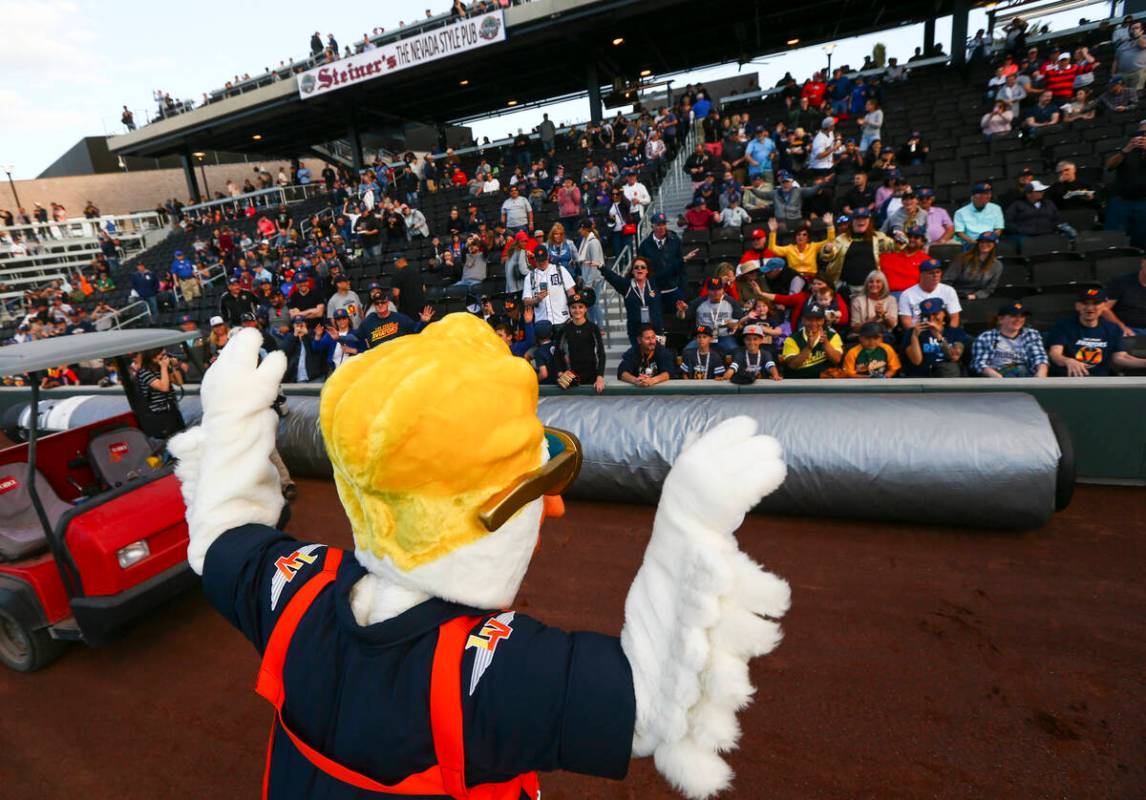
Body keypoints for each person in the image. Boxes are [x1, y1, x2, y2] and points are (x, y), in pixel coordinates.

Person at [1047, 287, 1146, 376]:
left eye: (1095, 303)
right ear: (1077, 306)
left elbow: (1120, 357)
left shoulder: (1113, 329)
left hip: (1100, 380)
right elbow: (1055, 354)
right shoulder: (1063, 325)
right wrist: (1068, 361)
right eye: (1085, 303)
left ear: (1104, 306)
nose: (1090, 308)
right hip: (1069, 377)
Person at [822, 209, 895, 294]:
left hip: (871, 287)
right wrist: (827, 250)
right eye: (857, 218)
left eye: (864, 218)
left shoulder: (878, 237)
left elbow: (894, 247)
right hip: (847, 288)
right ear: (852, 222)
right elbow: (827, 256)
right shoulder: (841, 238)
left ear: (869, 221)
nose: (861, 221)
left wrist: (900, 239)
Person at [970, 301, 1049, 377]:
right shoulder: (986, 337)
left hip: (1026, 374)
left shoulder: (1031, 334)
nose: (1019, 319)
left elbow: (1039, 357)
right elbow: (979, 363)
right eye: (1013, 316)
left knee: (1021, 369)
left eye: (1022, 316)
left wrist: (1041, 373)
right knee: (1019, 369)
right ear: (1001, 319)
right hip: (998, 374)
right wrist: (996, 377)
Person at [637, 213, 696, 312]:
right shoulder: (644, 246)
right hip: (655, 290)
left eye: (664, 224)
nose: (662, 227)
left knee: (678, 319)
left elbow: (682, 268)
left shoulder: (675, 241)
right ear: (652, 226)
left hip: (674, 289)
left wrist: (683, 289)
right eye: (659, 225)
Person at [601, 255, 662, 345]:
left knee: (659, 356)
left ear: (647, 270)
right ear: (632, 271)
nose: (639, 269)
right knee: (639, 357)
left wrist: (683, 260)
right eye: (636, 267)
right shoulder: (627, 286)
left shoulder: (654, 283)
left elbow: (668, 272)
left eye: (643, 267)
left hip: (656, 329)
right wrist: (601, 267)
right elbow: (613, 278)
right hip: (636, 331)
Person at [552, 290, 606, 392]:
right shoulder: (564, 329)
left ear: (586, 309)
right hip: (571, 376)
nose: (577, 310)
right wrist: (560, 373)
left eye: (580, 307)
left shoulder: (593, 328)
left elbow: (601, 353)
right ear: (569, 309)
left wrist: (600, 377)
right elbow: (557, 353)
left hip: (591, 376)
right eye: (573, 307)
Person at [901, 297, 969, 378]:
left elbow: (954, 357)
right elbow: (916, 361)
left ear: (944, 313)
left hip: (947, 374)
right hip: (922, 375)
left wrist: (938, 336)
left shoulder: (955, 332)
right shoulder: (912, 332)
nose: (931, 318)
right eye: (927, 315)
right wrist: (915, 337)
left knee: (951, 368)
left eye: (935, 314)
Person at [1105, 123, 1146, 249]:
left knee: (1142, 240)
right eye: (1141, 133)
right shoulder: (1127, 151)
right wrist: (1125, 150)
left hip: (1143, 202)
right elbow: (1109, 166)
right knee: (1114, 239)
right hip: (1121, 202)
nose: (1143, 137)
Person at [134, 349, 185, 440]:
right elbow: (164, 387)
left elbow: (179, 383)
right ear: (152, 356)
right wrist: (164, 367)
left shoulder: (160, 368)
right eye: (161, 355)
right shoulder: (144, 372)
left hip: (172, 409)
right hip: (159, 414)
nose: (164, 357)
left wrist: (174, 367)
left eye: (165, 355)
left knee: (182, 436)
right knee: (168, 441)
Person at [779, 304, 842, 378]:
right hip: (798, 383)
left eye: (817, 320)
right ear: (803, 320)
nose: (813, 323)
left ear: (823, 321)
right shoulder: (792, 339)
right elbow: (792, 365)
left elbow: (837, 359)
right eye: (809, 320)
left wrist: (826, 343)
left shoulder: (832, 336)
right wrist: (808, 348)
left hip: (824, 383)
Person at [899, 258, 963, 328]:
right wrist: (916, 335)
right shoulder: (907, 294)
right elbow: (906, 322)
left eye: (938, 272)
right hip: (918, 331)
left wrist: (949, 335)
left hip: (943, 331)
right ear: (921, 275)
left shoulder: (949, 291)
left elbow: (954, 318)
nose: (935, 275)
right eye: (931, 273)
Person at [523, 247, 576, 330]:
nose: (542, 263)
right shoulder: (530, 277)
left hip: (562, 319)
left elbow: (571, 293)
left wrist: (574, 314)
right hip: (542, 323)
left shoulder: (560, 270)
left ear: (547, 257)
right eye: (539, 260)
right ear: (535, 259)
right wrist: (536, 300)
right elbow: (526, 301)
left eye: (543, 260)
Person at [688, 277, 744, 353]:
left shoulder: (731, 302)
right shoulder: (699, 302)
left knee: (734, 351)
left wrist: (733, 324)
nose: (716, 292)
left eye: (718, 289)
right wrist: (681, 312)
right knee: (688, 351)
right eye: (713, 290)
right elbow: (685, 316)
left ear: (723, 289)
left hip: (724, 336)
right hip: (703, 336)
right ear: (708, 290)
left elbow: (739, 320)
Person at [767, 215, 835, 277]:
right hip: (795, 278)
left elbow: (829, 242)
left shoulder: (813, 246)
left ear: (808, 238)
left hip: (811, 277)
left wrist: (830, 225)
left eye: (804, 235)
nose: (801, 237)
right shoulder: (789, 249)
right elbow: (772, 249)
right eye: (798, 234)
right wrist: (773, 232)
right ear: (795, 238)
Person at [355, 294, 432, 349]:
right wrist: (364, 346)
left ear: (388, 303)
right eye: (377, 303)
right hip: (378, 361)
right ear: (374, 305)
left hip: (397, 359)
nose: (380, 305)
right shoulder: (368, 321)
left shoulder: (400, 318)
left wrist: (423, 322)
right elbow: (357, 337)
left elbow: (416, 329)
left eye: (383, 302)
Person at [945, 231, 1003, 301]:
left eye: (988, 242)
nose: (984, 244)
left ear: (994, 244)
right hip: (956, 297)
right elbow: (946, 281)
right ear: (977, 243)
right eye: (981, 242)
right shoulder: (962, 259)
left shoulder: (997, 265)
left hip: (978, 298)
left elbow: (990, 288)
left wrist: (975, 296)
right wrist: (953, 296)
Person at [1004, 180, 1071, 239]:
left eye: (1042, 191)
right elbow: (1008, 222)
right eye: (1038, 191)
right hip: (1025, 237)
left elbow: (1058, 218)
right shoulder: (1017, 205)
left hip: (1048, 235)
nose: (1042, 192)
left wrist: (1053, 228)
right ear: (1028, 194)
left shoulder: (1049, 203)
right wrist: (1021, 230)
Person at [1103, 256, 1146, 336]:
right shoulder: (1121, 282)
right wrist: (1122, 327)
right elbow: (1103, 308)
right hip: (1128, 329)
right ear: (1143, 262)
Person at [954, 183, 1005, 247]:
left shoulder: (996, 208)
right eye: (985, 194)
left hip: (991, 241)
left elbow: (999, 229)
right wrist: (973, 242)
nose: (989, 196)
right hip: (970, 243)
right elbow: (960, 232)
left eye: (990, 194)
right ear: (974, 196)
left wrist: (991, 238)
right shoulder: (960, 212)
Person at [849, 270, 898, 335]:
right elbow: (855, 328)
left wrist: (883, 314)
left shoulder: (891, 300)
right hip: (863, 336)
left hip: (884, 336)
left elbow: (893, 325)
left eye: (878, 282)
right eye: (871, 282)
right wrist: (875, 318)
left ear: (884, 284)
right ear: (867, 284)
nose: (874, 284)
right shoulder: (858, 301)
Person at [576, 219, 606, 327]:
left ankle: (600, 327)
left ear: (586, 229)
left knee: (595, 303)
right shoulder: (585, 241)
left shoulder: (593, 242)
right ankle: (594, 326)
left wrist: (589, 283)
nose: (579, 231)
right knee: (590, 304)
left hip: (595, 279)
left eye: (581, 228)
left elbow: (595, 264)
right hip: (588, 278)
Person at [390, 253, 425, 320]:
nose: (394, 264)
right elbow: (423, 289)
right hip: (421, 306)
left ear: (399, 261)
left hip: (406, 309)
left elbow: (396, 293)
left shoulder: (397, 275)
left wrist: (397, 304)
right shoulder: (416, 273)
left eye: (395, 262)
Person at [1114, 20, 1146, 91]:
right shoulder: (1123, 44)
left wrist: (1139, 36)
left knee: (1134, 95)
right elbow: (1116, 60)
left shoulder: (1144, 38)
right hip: (1122, 74)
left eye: (1137, 28)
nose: (1134, 30)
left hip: (1137, 73)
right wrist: (1113, 74)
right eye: (1132, 28)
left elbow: (1143, 45)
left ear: (1142, 30)